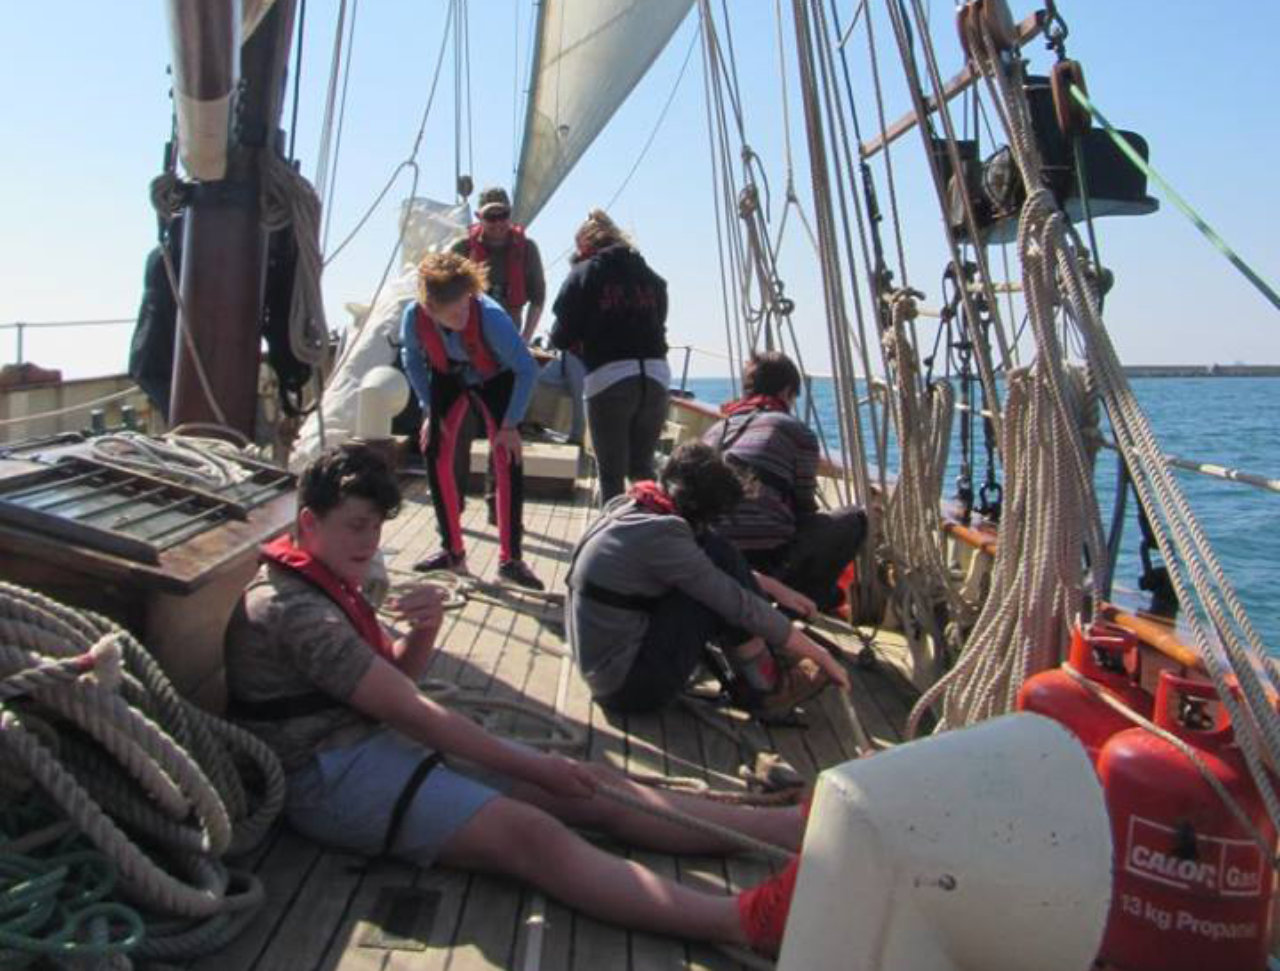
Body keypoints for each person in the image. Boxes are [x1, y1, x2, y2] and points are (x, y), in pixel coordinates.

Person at [223, 443, 806, 957]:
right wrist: (535, 765)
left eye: (375, 527)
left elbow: (391, 682)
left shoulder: (325, 579)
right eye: (356, 526)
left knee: (596, 790)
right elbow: (409, 708)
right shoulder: (291, 610)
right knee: (533, 834)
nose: (369, 542)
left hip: (370, 740)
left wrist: (421, 632)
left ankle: (786, 829)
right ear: (309, 521)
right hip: (327, 775)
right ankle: (743, 920)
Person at [566, 441, 851, 715]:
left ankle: (766, 662)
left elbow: (709, 569)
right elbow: (736, 602)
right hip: (629, 688)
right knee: (716, 596)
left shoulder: (638, 505)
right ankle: (768, 685)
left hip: (607, 669)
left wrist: (777, 589)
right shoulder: (663, 535)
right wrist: (820, 656)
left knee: (716, 553)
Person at [399, 251, 543, 590]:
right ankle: (452, 551)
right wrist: (428, 409)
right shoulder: (414, 316)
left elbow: (526, 369)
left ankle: (511, 560)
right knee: (435, 450)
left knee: (507, 458)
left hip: (496, 375)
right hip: (448, 374)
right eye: (453, 312)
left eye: (466, 306)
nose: (463, 315)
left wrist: (510, 426)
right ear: (430, 308)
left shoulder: (491, 317)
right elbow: (413, 361)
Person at [704, 352, 868, 613]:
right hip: (763, 561)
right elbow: (804, 506)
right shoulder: (794, 431)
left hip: (710, 558)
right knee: (854, 519)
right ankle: (808, 600)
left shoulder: (715, 431)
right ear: (786, 391)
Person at [550, 209, 669, 503]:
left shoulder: (584, 273)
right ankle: (651, 534)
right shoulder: (651, 276)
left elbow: (560, 337)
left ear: (585, 245)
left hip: (610, 379)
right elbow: (660, 317)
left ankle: (613, 542)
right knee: (643, 469)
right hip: (656, 376)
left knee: (611, 474)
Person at [450, 187, 548, 518]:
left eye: (502, 215)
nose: (497, 223)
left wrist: (524, 338)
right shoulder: (461, 249)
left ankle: (498, 504)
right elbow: (438, 292)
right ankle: (455, 504)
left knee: (505, 430)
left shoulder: (527, 249)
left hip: (504, 353)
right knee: (458, 432)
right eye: (490, 216)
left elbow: (538, 296)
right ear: (479, 217)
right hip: (464, 353)